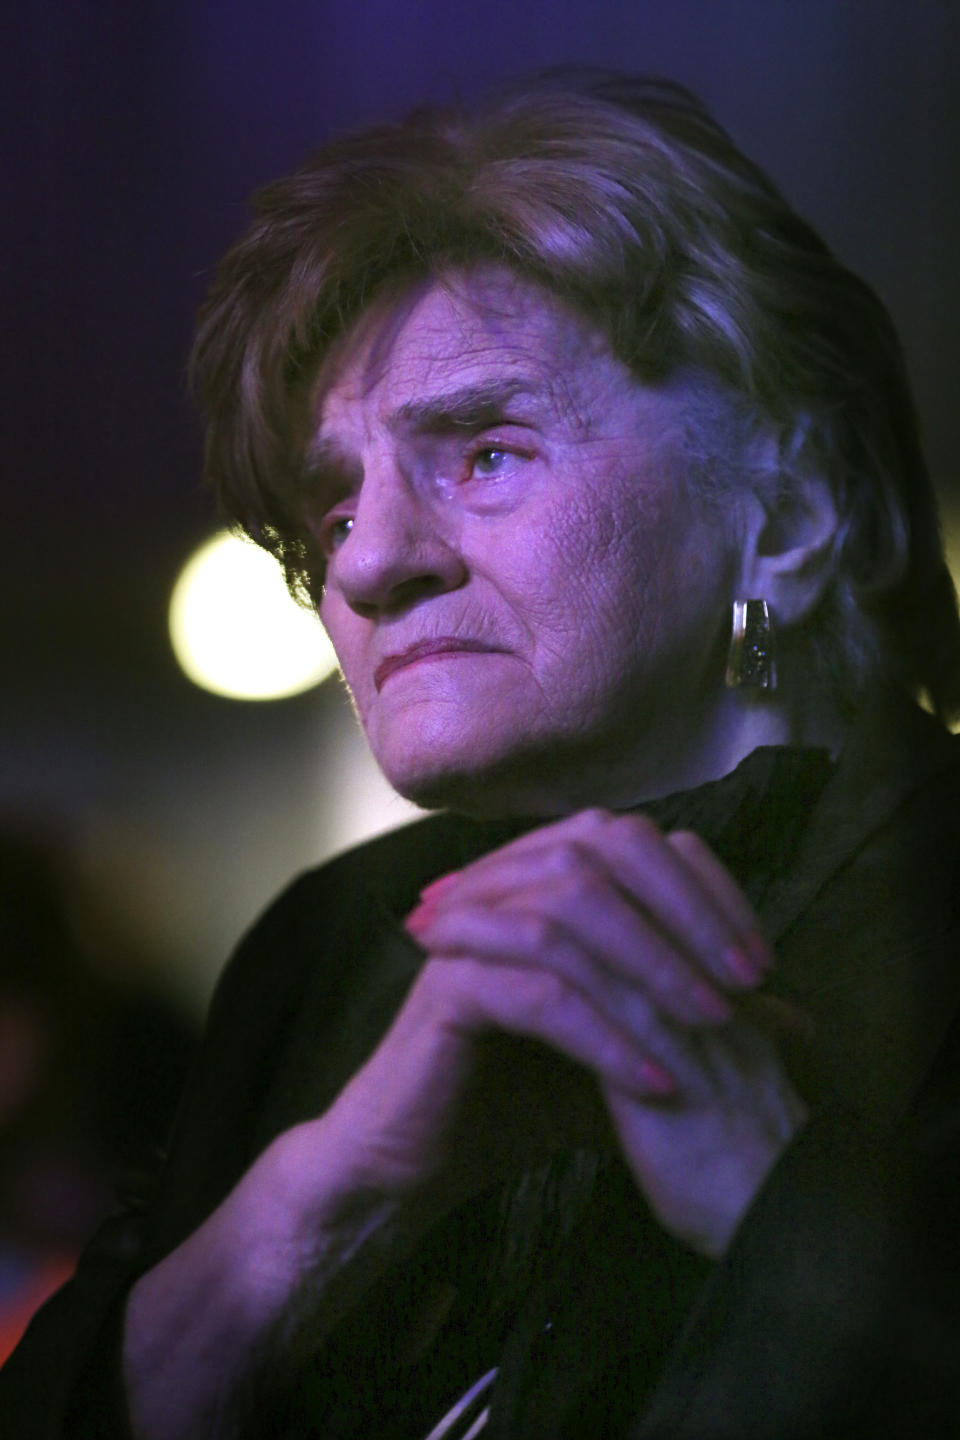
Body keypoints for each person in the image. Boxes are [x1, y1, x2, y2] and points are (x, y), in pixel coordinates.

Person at [4, 70, 960, 1438]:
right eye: (333, 509)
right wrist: (326, 1196)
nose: (373, 561)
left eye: (490, 451)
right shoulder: (321, 950)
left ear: (788, 519)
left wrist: (779, 1213)